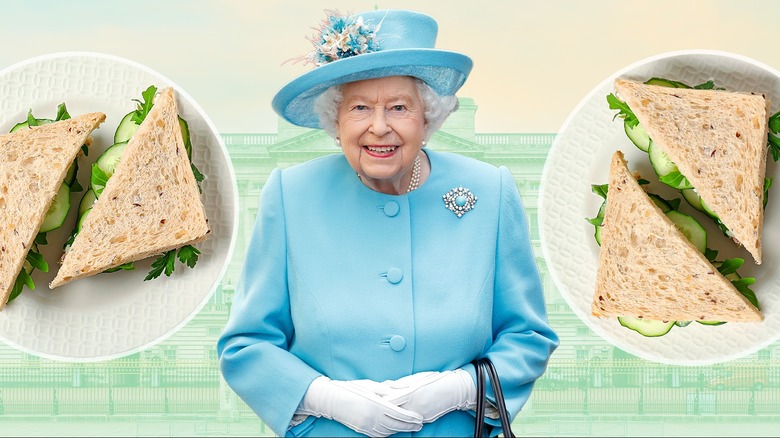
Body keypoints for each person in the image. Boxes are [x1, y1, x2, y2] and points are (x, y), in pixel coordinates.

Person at [218, 9, 559, 437]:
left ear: (427, 117)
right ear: (336, 121)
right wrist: (324, 397)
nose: (379, 128)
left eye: (399, 107)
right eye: (360, 108)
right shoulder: (290, 193)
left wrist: (460, 389)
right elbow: (245, 346)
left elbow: (528, 336)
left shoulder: (490, 191)